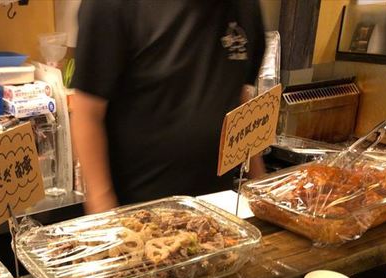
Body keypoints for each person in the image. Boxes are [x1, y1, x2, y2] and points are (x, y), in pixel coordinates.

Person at [71, 0, 267, 214]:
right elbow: (87, 113)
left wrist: (261, 193)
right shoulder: (110, 6)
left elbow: (239, 96)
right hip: (137, 213)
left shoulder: (245, 6)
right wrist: (104, 211)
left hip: (217, 210)